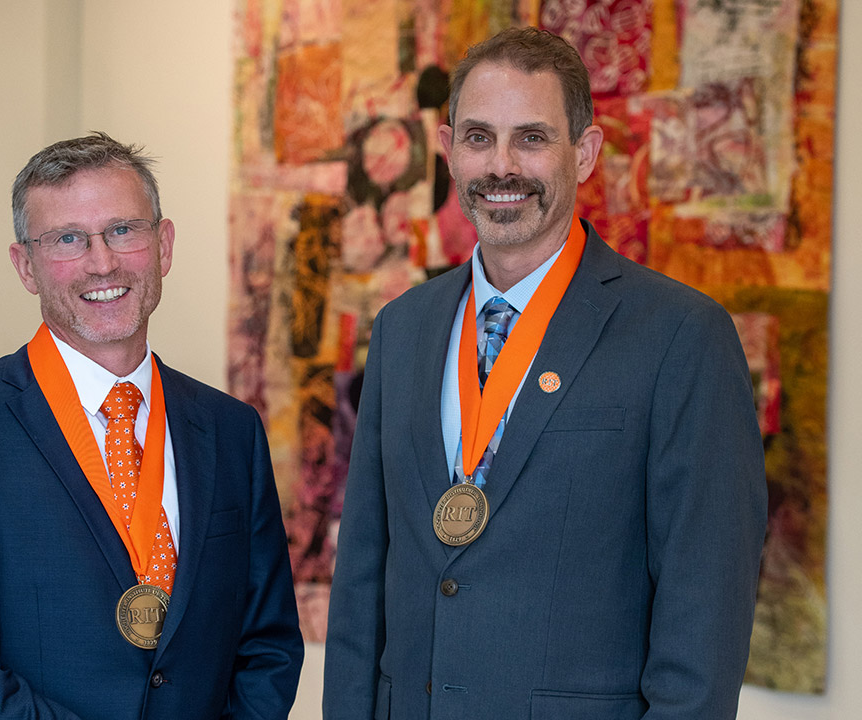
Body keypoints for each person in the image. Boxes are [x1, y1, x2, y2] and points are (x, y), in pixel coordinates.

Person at [323, 27, 767, 720]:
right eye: (478, 138)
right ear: (447, 150)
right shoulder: (402, 329)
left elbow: (704, 618)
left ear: (583, 153)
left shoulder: (682, 337)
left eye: (531, 138)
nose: (502, 166)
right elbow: (360, 582)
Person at [0, 132, 303, 719]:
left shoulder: (232, 431)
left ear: (165, 245)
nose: (101, 262)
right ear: (25, 266)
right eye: (68, 240)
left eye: (124, 230)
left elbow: (269, 645)